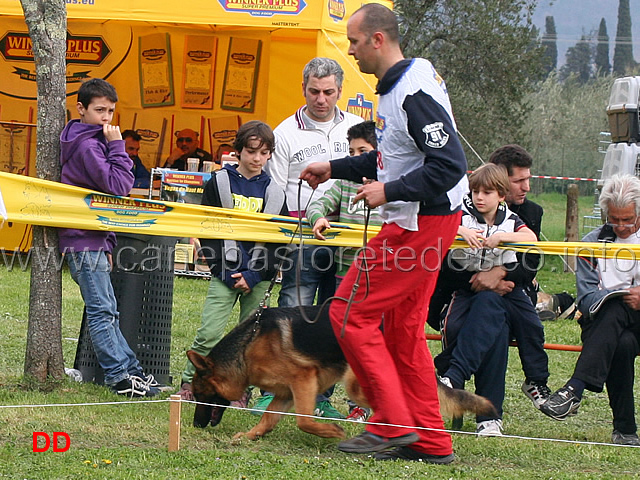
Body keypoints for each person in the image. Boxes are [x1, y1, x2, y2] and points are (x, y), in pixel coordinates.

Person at [300, 4, 468, 463]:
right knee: (403, 331)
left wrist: (390, 190)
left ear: (377, 40)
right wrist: (333, 167)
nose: (348, 50)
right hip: (424, 221)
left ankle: (392, 426)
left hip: (421, 224)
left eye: (353, 41)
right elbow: (392, 160)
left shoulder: (412, 92)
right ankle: (431, 441)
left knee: (349, 312)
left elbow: (450, 166)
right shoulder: (397, 86)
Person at [256, 57, 363, 419]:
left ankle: (321, 396)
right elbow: (276, 192)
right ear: (303, 89)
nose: (321, 99)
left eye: (329, 92)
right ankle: (275, 389)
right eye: (314, 91)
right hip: (303, 235)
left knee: (337, 316)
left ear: (340, 91)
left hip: (347, 237)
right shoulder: (284, 132)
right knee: (295, 310)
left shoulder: (356, 129)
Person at [58, 78, 161, 397]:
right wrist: (118, 146)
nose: (106, 118)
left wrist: (107, 242)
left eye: (111, 111)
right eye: (100, 110)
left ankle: (132, 372)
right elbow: (118, 188)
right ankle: (119, 376)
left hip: (93, 237)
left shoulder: (87, 140)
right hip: (82, 239)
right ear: (81, 109)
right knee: (102, 310)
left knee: (108, 310)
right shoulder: (89, 145)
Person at [178, 121, 288, 415]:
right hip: (224, 273)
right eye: (251, 151)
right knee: (209, 332)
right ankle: (190, 382)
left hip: (258, 277)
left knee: (250, 341)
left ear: (269, 155)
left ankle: (241, 391)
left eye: (264, 153)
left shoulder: (276, 192)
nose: (257, 158)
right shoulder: (219, 182)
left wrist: (254, 275)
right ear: (237, 151)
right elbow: (208, 228)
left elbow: (279, 242)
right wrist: (225, 271)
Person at [433, 163, 549, 436]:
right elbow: (440, 226)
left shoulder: (511, 218)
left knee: (530, 326)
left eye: (486, 192)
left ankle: (532, 381)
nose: (479, 197)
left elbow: (530, 241)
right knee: (482, 325)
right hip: (464, 290)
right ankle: (486, 413)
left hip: (508, 293)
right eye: (475, 191)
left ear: (501, 195)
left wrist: (501, 239)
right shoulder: (460, 213)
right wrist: (461, 232)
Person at [540, 174, 640, 446]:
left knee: (619, 313)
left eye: (627, 219)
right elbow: (586, 300)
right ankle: (625, 431)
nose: (620, 226)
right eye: (614, 219)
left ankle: (574, 389)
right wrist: (617, 296)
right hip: (604, 324)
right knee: (622, 341)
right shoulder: (591, 243)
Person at [305, 120, 382, 422]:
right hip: (345, 278)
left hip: (381, 280)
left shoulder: (390, 187)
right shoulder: (345, 183)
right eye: (351, 152)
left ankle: (367, 404)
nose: (355, 158)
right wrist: (318, 217)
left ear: (377, 155)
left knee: (374, 343)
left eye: (362, 152)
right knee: (338, 340)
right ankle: (322, 398)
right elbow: (319, 203)